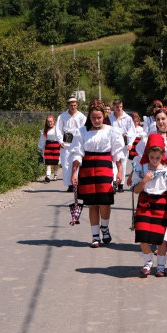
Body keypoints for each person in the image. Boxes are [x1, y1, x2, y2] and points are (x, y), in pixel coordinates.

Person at [70, 100, 125, 248]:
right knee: (92, 204)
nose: (96, 120)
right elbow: (77, 153)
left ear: (104, 115)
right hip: (87, 169)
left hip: (105, 168)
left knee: (104, 202)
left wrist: (120, 171)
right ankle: (95, 236)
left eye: (99, 117)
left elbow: (117, 153)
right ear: (89, 116)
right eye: (93, 117)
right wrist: (74, 173)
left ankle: (105, 227)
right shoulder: (82, 131)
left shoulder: (111, 131)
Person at [131, 133, 167, 277]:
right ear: (147, 154)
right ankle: (147, 262)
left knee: (162, 239)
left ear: (162, 155)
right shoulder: (141, 167)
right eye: (152, 157)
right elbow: (135, 190)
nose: (154, 160)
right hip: (145, 202)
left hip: (162, 203)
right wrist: (144, 180)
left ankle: (161, 267)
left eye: (158, 158)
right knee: (142, 235)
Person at [56, 96, 87, 192]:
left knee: (77, 162)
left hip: (77, 142)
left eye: (75, 105)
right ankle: (69, 185)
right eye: (71, 105)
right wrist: (60, 141)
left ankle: (76, 183)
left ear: (77, 105)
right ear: (68, 105)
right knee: (66, 163)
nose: (73, 107)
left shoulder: (81, 116)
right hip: (66, 142)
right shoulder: (62, 116)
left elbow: (85, 129)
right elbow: (58, 129)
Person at [109, 99, 136, 192]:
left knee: (122, 163)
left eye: (120, 107)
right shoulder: (109, 117)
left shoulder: (127, 118)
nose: (119, 109)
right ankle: (114, 183)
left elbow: (132, 131)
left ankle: (121, 184)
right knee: (113, 163)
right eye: (117, 107)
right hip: (112, 143)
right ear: (113, 107)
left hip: (123, 144)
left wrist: (130, 143)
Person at [37, 114, 60, 182]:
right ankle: (48, 176)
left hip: (56, 146)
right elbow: (42, 140)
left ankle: (55, 175)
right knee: (48, 161)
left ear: (54, 121)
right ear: (46, 122)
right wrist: (39, 149)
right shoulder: (45, 130)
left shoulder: (57, 129)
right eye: (48, 122)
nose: (50, 123)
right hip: (48, 146)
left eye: (51, 121)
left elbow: (61, 138)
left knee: (56, 162)